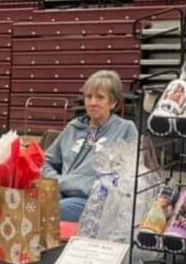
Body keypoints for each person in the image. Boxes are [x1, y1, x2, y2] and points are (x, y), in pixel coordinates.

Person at [43, 70, 138, 223]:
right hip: (59, 192)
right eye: (89, 97)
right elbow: (44, 162)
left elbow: (128, 174)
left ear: (113, 102)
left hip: (94, 201)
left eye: (100, 97)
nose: (92, 102)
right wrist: (57, 180)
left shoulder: (126, 129)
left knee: (49, 210)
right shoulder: (73, 127)